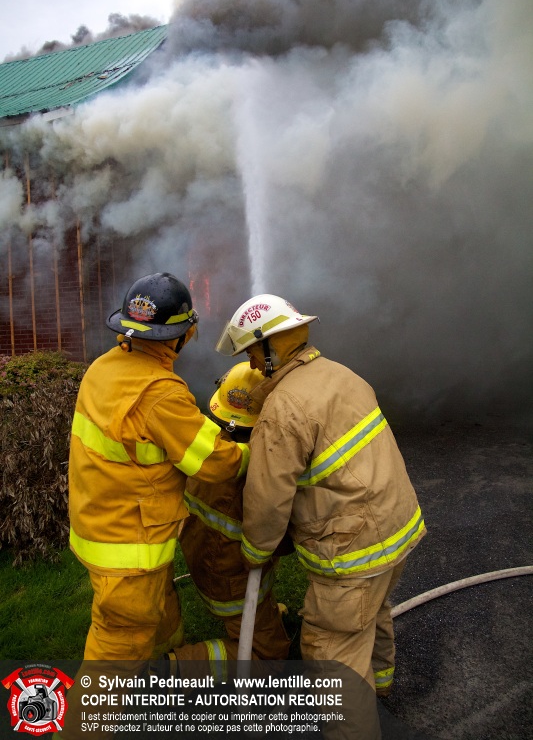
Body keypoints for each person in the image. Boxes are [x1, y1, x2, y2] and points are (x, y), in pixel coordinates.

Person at [216, 294, 426, 701]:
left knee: (331, 650)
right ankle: (380, 690)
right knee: (371, 614)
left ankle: (355, 723)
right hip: (396, 528)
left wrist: (256, 552)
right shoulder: (341, 374)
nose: (252, 365)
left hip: (352, 551)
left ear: (271, 347)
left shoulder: (283, 409)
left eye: (252, 354)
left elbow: (267, 498)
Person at [68, 272, 250, 663]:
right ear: (180, 335)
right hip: (129, 549)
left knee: (159, 606)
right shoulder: (159, 393)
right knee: (118, 646)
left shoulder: (104, 367)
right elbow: (215, 463)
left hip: (98, 522)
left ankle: (163, 663)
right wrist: (254, 452)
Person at [168, 361, 290, 670]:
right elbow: (281, 540)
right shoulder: (257, 473)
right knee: (269, 657)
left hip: (205, 562)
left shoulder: (210, 448)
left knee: (266, 622)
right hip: (232, 583)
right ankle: (174, 668)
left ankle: (264, 616)